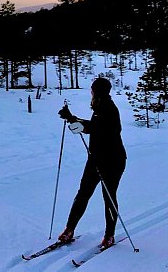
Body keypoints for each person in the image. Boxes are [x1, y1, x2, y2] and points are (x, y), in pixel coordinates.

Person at [56, 77, 127, 249]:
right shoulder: (100, 107)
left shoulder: (109, 109)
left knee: (108, 197)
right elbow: (92, 127)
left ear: (97, 92)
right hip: (95, 160)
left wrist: (75, 121)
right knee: (83, 193)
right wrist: (72, 119)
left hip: (113, 161)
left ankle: (109, 235)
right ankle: (69, 229)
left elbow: (100, 130)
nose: (91, 93)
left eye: (92, 90)